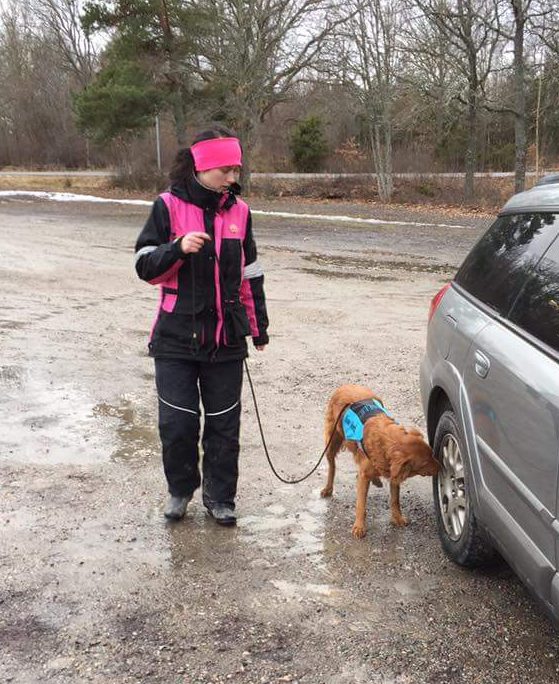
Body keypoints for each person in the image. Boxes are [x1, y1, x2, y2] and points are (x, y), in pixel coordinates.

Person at [134, 125, 269, 525]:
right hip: (175, 336)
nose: (233, 178)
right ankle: (180, 491)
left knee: (225, 426)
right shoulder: (167, 206)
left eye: (236, 169)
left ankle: (220, 497)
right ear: (202, 166)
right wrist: (177, 249)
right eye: (226, 170)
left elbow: (251, 273)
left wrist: (258, 327)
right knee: (178, 423)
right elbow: (144, 265)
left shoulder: (240, 212)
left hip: (226, 337)